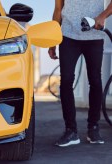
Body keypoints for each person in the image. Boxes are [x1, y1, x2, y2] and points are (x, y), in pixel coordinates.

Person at [48, 0, 112, 147]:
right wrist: (52, 40)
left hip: (94, 36)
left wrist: (102, 16)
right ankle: (71, 131)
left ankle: (93, 128)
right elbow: (58, 10)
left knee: (95, 80)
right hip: (68, 36)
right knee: (66, 81)